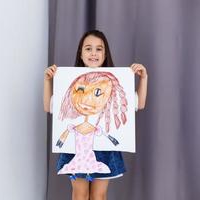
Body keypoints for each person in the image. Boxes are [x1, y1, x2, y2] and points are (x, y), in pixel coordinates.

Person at [43, 30, 148, 200]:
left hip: (105, 151)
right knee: (80, 195)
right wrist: (48, 80)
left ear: (105, 54)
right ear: (81, 53)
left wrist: (143, 78)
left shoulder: (114, 82)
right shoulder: (71, 82)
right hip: (75, 150)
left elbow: (139, 103)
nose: (93, 53)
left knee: (99, 196)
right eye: (88, 48)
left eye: (99, 49)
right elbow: (49, 106)